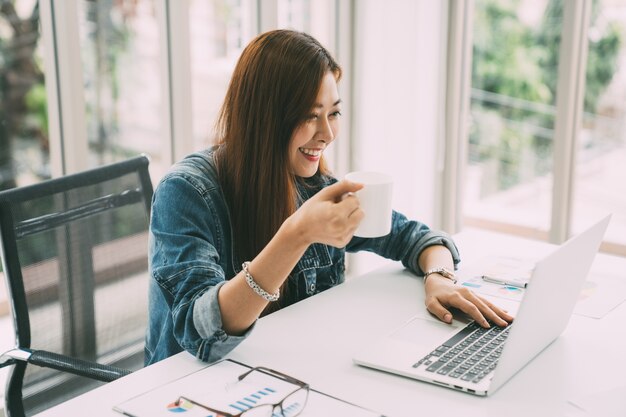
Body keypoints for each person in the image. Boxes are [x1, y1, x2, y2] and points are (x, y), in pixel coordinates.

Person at [146, 29, 512, 365]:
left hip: (291, 374)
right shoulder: (187, 193)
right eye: (310, 116)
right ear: (264, 119)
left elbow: (414, 238)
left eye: (333, 113)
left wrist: (440, 276)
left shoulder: (313, 185)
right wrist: (297, 233)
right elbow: (203, 333)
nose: (327, 134)